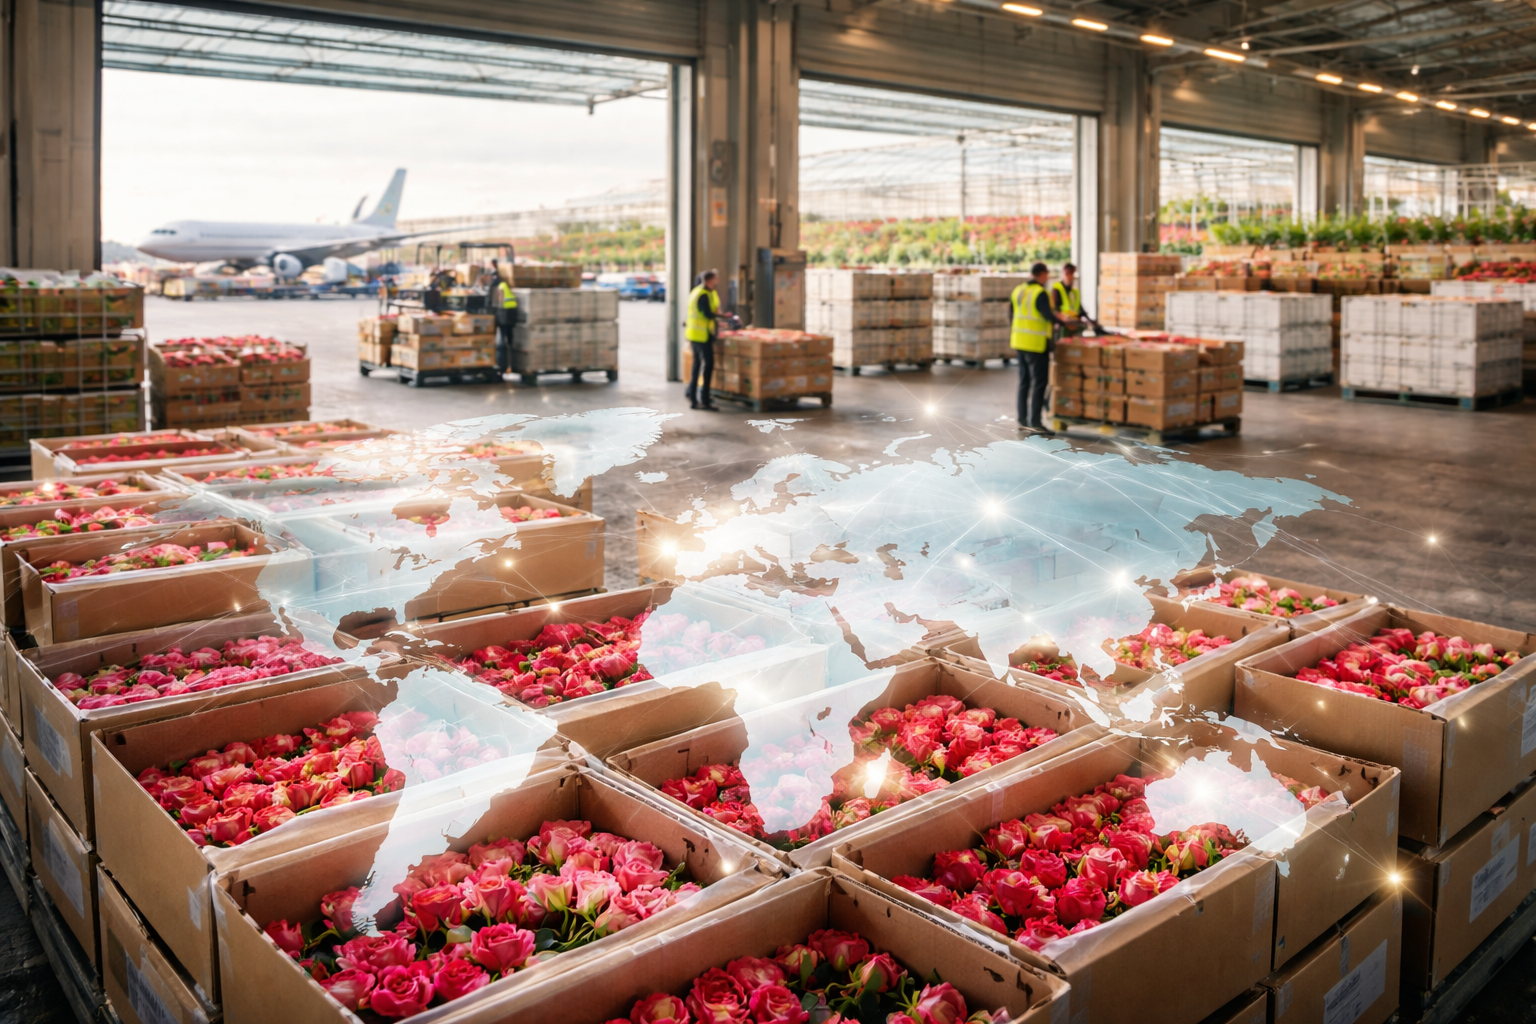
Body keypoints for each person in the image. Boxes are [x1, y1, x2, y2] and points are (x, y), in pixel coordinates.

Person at [1011, 262, 1068, 432]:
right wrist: (1063, 321)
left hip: (1019, 342)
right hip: (1036, 345)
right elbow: (1048, 315)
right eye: (1047, 274)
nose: (1047, 278)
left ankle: (1022, 420)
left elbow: (1011, 313)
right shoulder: (1040, 293)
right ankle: (1035, 423)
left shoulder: (1018, 290)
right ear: (1042, 274)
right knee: (1039, 384)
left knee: (1024, 382)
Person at [685, 269, 725, 410]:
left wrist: (719, 318)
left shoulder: (701, 291)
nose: (717, 281)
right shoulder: (703, 294)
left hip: (695, 334)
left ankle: (692, 395)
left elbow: (713, 310)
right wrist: (723, 318)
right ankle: (704, 399)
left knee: (697, 365)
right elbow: (707, 313)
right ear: (709, 280)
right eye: (715, 278)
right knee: (708, 366)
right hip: (701, 336)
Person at [1049, 262, 1096, 337]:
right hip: (1063, 326)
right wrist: (1063, 320)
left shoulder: (1074, 292)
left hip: (1075, 325)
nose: (1069, 277)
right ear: (1063, 274)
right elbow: (1055, 309)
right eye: (1067, 274)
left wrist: (1090, 320)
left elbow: (1080, 309)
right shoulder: (1057, 289)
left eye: (1071, 274)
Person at [490, 261, 519, 374]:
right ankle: (510, 365)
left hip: (504, 316)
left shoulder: (500, 286)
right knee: (510, 340)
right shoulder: (510, 286)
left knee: (502, 343)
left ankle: (504, 366)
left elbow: (499, 301)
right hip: (511, 316)